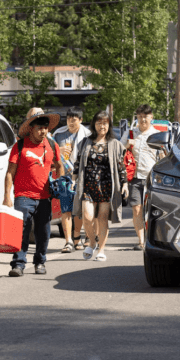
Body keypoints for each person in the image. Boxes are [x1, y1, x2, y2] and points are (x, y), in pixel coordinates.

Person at [4, 107, 62, 276]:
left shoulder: (51, 144)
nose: (43, 131)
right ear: (31, 128)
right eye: (39, 127)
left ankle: (40, 262)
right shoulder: (20, 145)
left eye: (45, 127)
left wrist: (61, 184)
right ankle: (18, 264)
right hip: (23, 196)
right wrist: (7, 196)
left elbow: (59, 166)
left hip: (45, 197)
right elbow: (10, 172)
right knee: (21, 231)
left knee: (43, 232)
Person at [72, 110, 127, 262]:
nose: (102, 126)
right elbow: (78, 162)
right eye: (99, 122)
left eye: (105, 123)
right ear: (94, 124)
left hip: (107, 186)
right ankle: (92, 241)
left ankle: (101, 249)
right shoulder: (85, 142)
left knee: (102, 219)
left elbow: (121, 165)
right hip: (88, 185)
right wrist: (73, 179)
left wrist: (125, 184)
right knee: (87, 217)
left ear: (109, 125)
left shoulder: (115, 144)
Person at [125, 104, 165, 251]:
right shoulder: (130, 133)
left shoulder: (157, 135)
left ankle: (151, 237)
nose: (142, 120)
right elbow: (119, 152)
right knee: (136, 209)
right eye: (140, 116)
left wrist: (163, 156)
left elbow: (165, 157)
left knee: (152, 210)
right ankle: (141, 241)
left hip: (152, 178)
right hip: (135, 177)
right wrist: (126, 146)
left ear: (151, 117)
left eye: (145, 117)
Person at [52, 108, 91, 252]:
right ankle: (68, 241)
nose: (71, 122)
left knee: (80, 210)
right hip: (64, 177)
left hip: (82, 177)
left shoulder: (88, 135)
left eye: (74, 119)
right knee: (66, 210)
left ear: (80, 120)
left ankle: (80, 237)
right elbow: (50, 154)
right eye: (69, 119)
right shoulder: (58, 134)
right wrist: (59, 150)